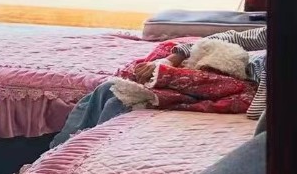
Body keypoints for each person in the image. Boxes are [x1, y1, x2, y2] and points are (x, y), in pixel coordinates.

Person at [52, 26, 267, 146]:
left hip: (239, 87)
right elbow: (229, 38)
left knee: (117, 97)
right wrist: (174, 57)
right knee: (108, 89)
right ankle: (57, 149)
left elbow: (256, 113)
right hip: (234, 69)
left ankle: (76, 148)